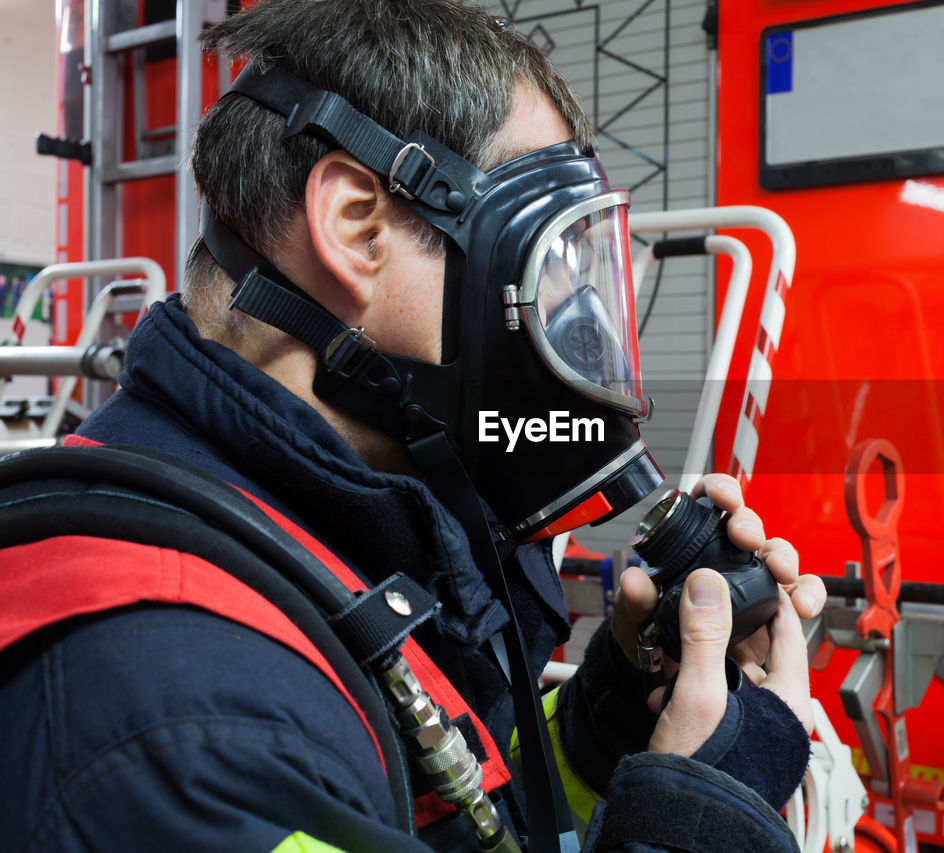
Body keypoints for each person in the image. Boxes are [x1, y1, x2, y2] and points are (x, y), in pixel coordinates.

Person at [0, 2, 827, 851]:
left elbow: (451, 804)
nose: (567, 326)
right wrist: (700, 824)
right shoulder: (180, 725)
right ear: (357, 228)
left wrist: (608, 720)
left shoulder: (310, 535)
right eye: (537, 265)